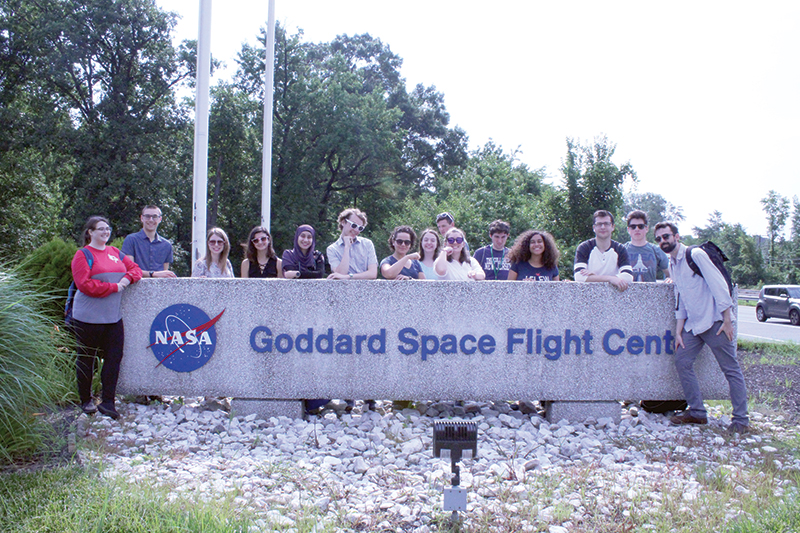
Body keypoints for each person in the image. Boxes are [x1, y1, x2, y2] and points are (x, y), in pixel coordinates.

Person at [654, 222, 749, 433]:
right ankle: (697, 412)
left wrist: (727, 319)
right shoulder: (673, 264)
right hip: (693, 326)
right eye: (659, 239)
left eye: (666, 236)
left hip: (715, 322)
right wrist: (679, 330)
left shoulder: (695, 255)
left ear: (676, 236)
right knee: (682, 361)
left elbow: (719, 284)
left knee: (730, 369)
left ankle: (741, 419)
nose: (663, 241)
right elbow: (680, 297)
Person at [71, 216, 142, 419]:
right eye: (100, 229)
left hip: (113, 317)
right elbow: (84, 284)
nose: (105, 232)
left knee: (114, 359)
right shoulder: (83, 255)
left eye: (107, 228)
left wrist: (126, 280)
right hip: (87, 317)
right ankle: (86, 400)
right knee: (87, 359)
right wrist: (114, 287)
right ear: (90, 232)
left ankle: (108, 402)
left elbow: (134, 269)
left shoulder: (114, 253)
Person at [573, 210, 633, 291]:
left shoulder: (620, 249)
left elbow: (628, 276)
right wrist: (610, 279)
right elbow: (579, 277)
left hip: (613, 298)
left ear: (613, 227)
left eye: (607, 224)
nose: (603, 227)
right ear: (594, 228)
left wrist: (594, 277)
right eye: (599, 224)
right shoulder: (584, 247)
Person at [121, 205, 177, 279]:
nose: (151, 220)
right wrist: (153, 274)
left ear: (160, 219)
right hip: (136, 286)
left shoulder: (166, 245)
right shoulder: (131, 240)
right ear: (142, 218)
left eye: (154, 216)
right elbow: (130, 270)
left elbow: (164, 273)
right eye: (147, 216)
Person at [326, 208, 378, 280]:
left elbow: (373, 273)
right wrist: (347, 247)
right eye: (353, 225)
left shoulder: (367, 244)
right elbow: (340, 275)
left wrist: (349, 276)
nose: (356, 230)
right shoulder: (332, 249)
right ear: (343, 222)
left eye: (360, 228)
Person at [624, 210, 670, 282]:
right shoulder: (622, 250)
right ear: (628, 229)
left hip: (651, 292)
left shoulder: (656, 250)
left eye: (640, 226)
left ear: (646, 228)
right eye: (633, 227)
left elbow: (671, 273)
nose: (637, 229)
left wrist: (670, 279)